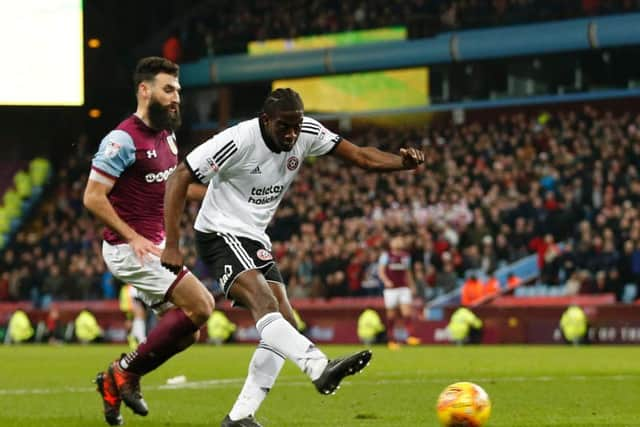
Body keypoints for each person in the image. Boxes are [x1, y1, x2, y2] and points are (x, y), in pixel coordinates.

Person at [161, 87, 424, 427]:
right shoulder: (238, 140)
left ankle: (241, 416)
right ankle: (319, 367)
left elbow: (361, 157)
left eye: (296, 125)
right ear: (265, 120)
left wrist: (400, 163)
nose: (292, 133)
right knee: (264, 303)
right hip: (219, 233)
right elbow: (180, 175)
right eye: (284, 126)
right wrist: (172, 243)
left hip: (254, 235)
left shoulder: (307, 132)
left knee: (286, 323)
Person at [83, 57, 214, 426]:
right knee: (202, 305)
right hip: (129, 248)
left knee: (188, 333)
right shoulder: (122, 139)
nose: (176, 98)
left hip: (152, 245)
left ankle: (115, 378)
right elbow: (93, 197)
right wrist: (134, 236)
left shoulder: (166, 136)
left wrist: (213, 194)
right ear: (145, 90)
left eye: (178, 91)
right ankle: (126, 374)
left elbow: (174, 187)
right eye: (168, 89)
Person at [377, 235, 421, 349]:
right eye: (396, 240)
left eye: (400, 240)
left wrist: (412, 285)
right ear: (391, 243)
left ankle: (411, 337)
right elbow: (381, 271)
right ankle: (391, 340)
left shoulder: (406, 256)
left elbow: (407, 272)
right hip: (391, 290)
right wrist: (386, 281)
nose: (398, 241)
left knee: (407, 312)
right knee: (391, 315)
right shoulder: (386, 256)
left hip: (403, 288)